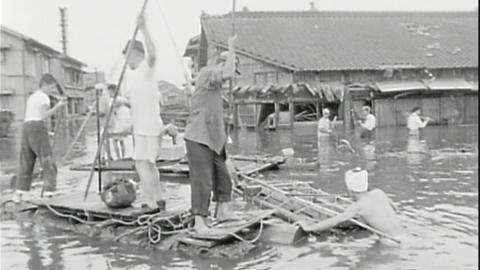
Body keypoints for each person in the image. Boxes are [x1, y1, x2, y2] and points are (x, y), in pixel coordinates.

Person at [184, 35, 238, 233]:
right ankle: (199, 221)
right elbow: (229, 72)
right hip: (198, 137)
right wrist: (232, 48)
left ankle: (223, 211)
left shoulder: (216, 87)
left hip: (214, 139)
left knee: (224, 176)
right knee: (203, 180)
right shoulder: (207, 73)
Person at [124, 12, 165, 210]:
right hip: (145, 126)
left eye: (127, 57)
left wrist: (144, 28)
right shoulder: (136, 77)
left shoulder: (145, 69)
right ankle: (158, 198)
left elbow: (154, 55)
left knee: (142, 164)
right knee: (149, 165)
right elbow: (136, 102)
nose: (127, 62)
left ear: (134, 54)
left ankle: (150, 202)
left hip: (147, 127)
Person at [296, 167, 404, 241]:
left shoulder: (358, 206)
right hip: (403, 236)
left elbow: (335, 221)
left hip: (389, 242)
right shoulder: (378, 192)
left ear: (351, 190)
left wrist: (310, 228)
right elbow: (395, 208)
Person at [13, 74, 67, 202]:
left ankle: (18, 194)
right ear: (45, 85)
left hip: (26, 127)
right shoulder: (44, 97)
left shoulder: (33, 96)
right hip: (37, 126)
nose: (52, 90)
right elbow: (43, 115)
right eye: (51, 87)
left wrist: (59, 98)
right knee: (47, 159)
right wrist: (58, 106)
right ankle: (49, 193)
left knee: (26, 161)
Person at [107, 84, 132, 159]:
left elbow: (112, 112)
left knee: (114, 140)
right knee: (121, 141)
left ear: (112, 91)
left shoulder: (113, 100)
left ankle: (119, 157)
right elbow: (130, 106)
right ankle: (123, 156)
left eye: (109, 92)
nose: (109, 94)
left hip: (119, 123)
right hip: (126, 123)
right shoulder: (122, 99)